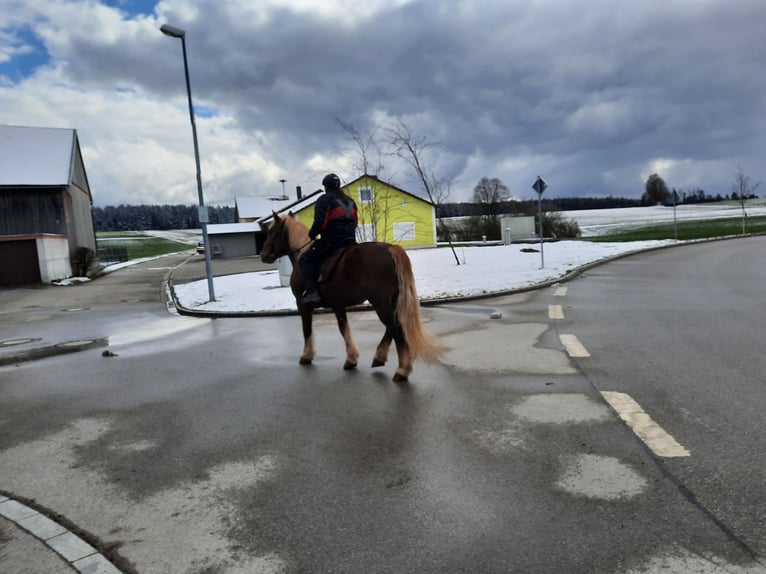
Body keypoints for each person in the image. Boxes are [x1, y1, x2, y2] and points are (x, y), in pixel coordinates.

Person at [299, 173, 358, 305]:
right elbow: (355, 223)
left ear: (326, 187)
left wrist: (312, 234)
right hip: (350, 241)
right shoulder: (350, 201)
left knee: (306, 259)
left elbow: (321, 223)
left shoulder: (324, 199)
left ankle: (312, 292)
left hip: (332, 241)